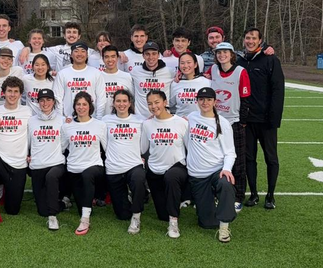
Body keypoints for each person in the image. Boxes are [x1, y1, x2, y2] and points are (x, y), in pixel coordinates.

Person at [237, 27, 284, 210]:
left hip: (266, 121)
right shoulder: (239, 60)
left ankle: (271, 195)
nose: (250, 41)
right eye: (247, 38)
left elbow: (278, 90)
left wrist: (274, 119)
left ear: (260, 41)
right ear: (243, 40)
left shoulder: (270, 59)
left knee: (271, 158)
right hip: (247, 120)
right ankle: (254, 194)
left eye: (253, 38)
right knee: (249, 158)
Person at [0, 77, 33, 227]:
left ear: (20, 94)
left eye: (16, 91)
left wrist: (31, 153)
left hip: (19, 164)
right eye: (9, 91)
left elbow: (34, 132)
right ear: (3, 92)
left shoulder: (27, 112)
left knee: (12, 210)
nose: (12, 95)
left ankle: (5, 189)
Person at [187, 87, 237, 243]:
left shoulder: (223, 123)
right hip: (198, 175)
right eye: (201, 99)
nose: (205, 103)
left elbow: (230, 152)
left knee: (226, 183)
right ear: (197, 101)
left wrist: (226, 169)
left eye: (209, 99)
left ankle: (224, 226)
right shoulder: (191, 117)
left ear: (215, 102)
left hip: (216, 171)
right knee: (207, 223)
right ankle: (214, 202)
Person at [141, 90, 189, 239]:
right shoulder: (147, 124)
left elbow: (190, 148)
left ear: (165, 102)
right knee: (162, 215)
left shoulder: (181, 122)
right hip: (155, 171)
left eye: (157, 102)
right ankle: (175, 200)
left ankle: (174, 223)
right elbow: (142, 148)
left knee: (171, 177)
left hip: (176, 168)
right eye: (150, 103)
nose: (153, 106)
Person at [211, 42, 251, 212]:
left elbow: (246, 98)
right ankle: (219, 194)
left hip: (233, 122)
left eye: (225, 52)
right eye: (219, 53)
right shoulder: (213, 70)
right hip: (215, 122)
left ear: (232, 54)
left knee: (238, 162)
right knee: (218, 160)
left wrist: (242, 121)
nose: (222, 55)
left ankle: (238, 196)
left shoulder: (240, 71)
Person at [101, 90, 147, 234]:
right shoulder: (105, 120)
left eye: (124, 101)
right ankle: (128, 198)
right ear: (113, 103)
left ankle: (136, 216)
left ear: (130, 103)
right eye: (118, 101)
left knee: (138, 179)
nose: (121, 104)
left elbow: (145, 142)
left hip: (134, 164)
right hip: (113, 168)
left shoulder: (140, 120)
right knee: (122, 215)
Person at [61, 92, 106, 235]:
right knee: (81, 207)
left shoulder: (99, 125)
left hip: (94, 166)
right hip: (74, 169)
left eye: (84, 104)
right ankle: (87, 205)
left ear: (90, 106)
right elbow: (61, 148)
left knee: (88, 175)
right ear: (74, 107)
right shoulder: (67, 127)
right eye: (78, 104)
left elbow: (107, 148)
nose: (81, 107)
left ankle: (85, 220)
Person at [27, 88, 67, 230]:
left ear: (54, 102)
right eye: (42, 100)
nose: (45, 103)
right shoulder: (31, 121)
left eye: (48, 100)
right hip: (37, 165)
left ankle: (53, 217)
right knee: (42, 210)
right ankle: (63, 203)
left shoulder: (62, 120)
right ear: (38, 102)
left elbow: (65, 144)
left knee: (51, 177)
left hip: (56, 163)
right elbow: (28, 143)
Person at [52, 42, 107, 119]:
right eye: (76, 51)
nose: (79, 54)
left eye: (83, 51)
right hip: (69, 120)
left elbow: (101, 98)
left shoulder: (96, 73)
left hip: (91, 119)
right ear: (71, 55)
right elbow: (58, 98)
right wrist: (61, 119)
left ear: (87, 55)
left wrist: (99, 118)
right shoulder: (62, 74)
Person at [131, 41, 174, 117]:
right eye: (147, 54)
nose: (151, 57)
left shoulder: (170, 72)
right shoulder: (135, 71)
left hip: (162, 118)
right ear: (143, 56)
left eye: (154, 54)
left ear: (158, 55)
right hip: (140, 118)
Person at [169, 52, 211, 117]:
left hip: (199, 121)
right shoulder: (175, 83)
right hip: (181, 121)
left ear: (195, 64)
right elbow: (170, 104)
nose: (185, 66)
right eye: (182, 63)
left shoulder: (207, 82)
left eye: (188, 62)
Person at [100, 45, 134, 113]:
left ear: (117, 58)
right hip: (101, 117)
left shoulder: (127, 76)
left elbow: (131, 99)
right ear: (103, 59)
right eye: (107, 57)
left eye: (113, 56)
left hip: (121, 117)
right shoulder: (97, 76)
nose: (110, 60)